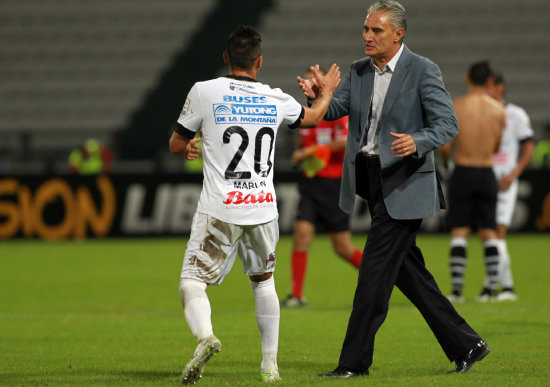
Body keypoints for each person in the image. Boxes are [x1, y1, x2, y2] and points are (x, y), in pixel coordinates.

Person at [298, 0, 490, 377]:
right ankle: (468, 344)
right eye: (366, 29)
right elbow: (336, 108)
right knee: (410, 274)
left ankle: (353, 363)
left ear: (398, 34)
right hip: (372, 181)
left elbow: (447, 124)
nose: (367, 36)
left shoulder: (423, 70)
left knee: (373, 275)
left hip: (406, 184)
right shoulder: (359, 70)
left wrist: (417, 141)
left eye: (376, 30)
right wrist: (318, 95)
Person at [169, 25, 340, 384]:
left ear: (226, 58)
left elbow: (175, 143)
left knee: (191, 282)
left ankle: (206, 337)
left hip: (220, 208)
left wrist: (189, 144)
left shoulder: (205, 91)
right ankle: (270, 367)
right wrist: (325, 93)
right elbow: (313, 117)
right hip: (263, 209)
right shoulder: (275, 97)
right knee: (264, 283)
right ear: (259, 62)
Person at [280, 68, 363, 309]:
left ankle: (382, 277)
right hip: (310, 182)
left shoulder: (336, 109)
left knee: (342, 247)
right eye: (307, 80)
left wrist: (315, 150)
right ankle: (296, 294)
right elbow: (302, 145)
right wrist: (300, 154)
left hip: (334, 184)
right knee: (301, 236)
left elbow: (349, 141)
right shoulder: (305, 114)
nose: (309, 84)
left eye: (314, 80)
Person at [440, 61, 505, 303]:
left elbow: (445, 146)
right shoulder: (499, 110)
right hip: (487, 171)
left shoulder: (456, 107)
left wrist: (446, 162)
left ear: (468, 78)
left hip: (464, 171)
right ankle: (489, 288)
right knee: (489, 231)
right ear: (490, 81)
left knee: (459, 231)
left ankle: (457, 290)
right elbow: (497, 146)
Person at [481, 73, 534, 301]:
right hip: (485, 178)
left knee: (497, 231)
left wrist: (514, 173)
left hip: (505, 180)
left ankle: (502, 287)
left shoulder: (516, 114)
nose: (486, 91)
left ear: (500, 87)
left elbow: (528, 147)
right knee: (489, 234)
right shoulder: (482, 114)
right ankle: (498, 286)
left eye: (490, 87)